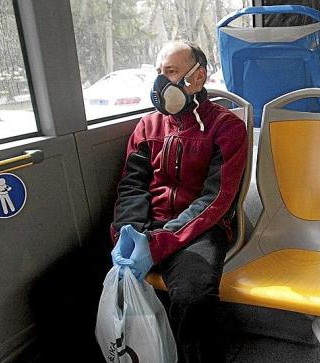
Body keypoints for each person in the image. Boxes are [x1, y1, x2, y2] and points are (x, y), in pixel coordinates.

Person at [109, 41, 247, 362]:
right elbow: (132, 186)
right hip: (147, 226)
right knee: (58, 288)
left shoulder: (227, 128)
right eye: (159, 73)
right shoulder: (148, 126)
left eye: (170, 73)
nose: (161, 83)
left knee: (194, 300)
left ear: (197, 78)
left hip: (199, 230)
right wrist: (127, 234)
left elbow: (216, 200)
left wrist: (157, 244)